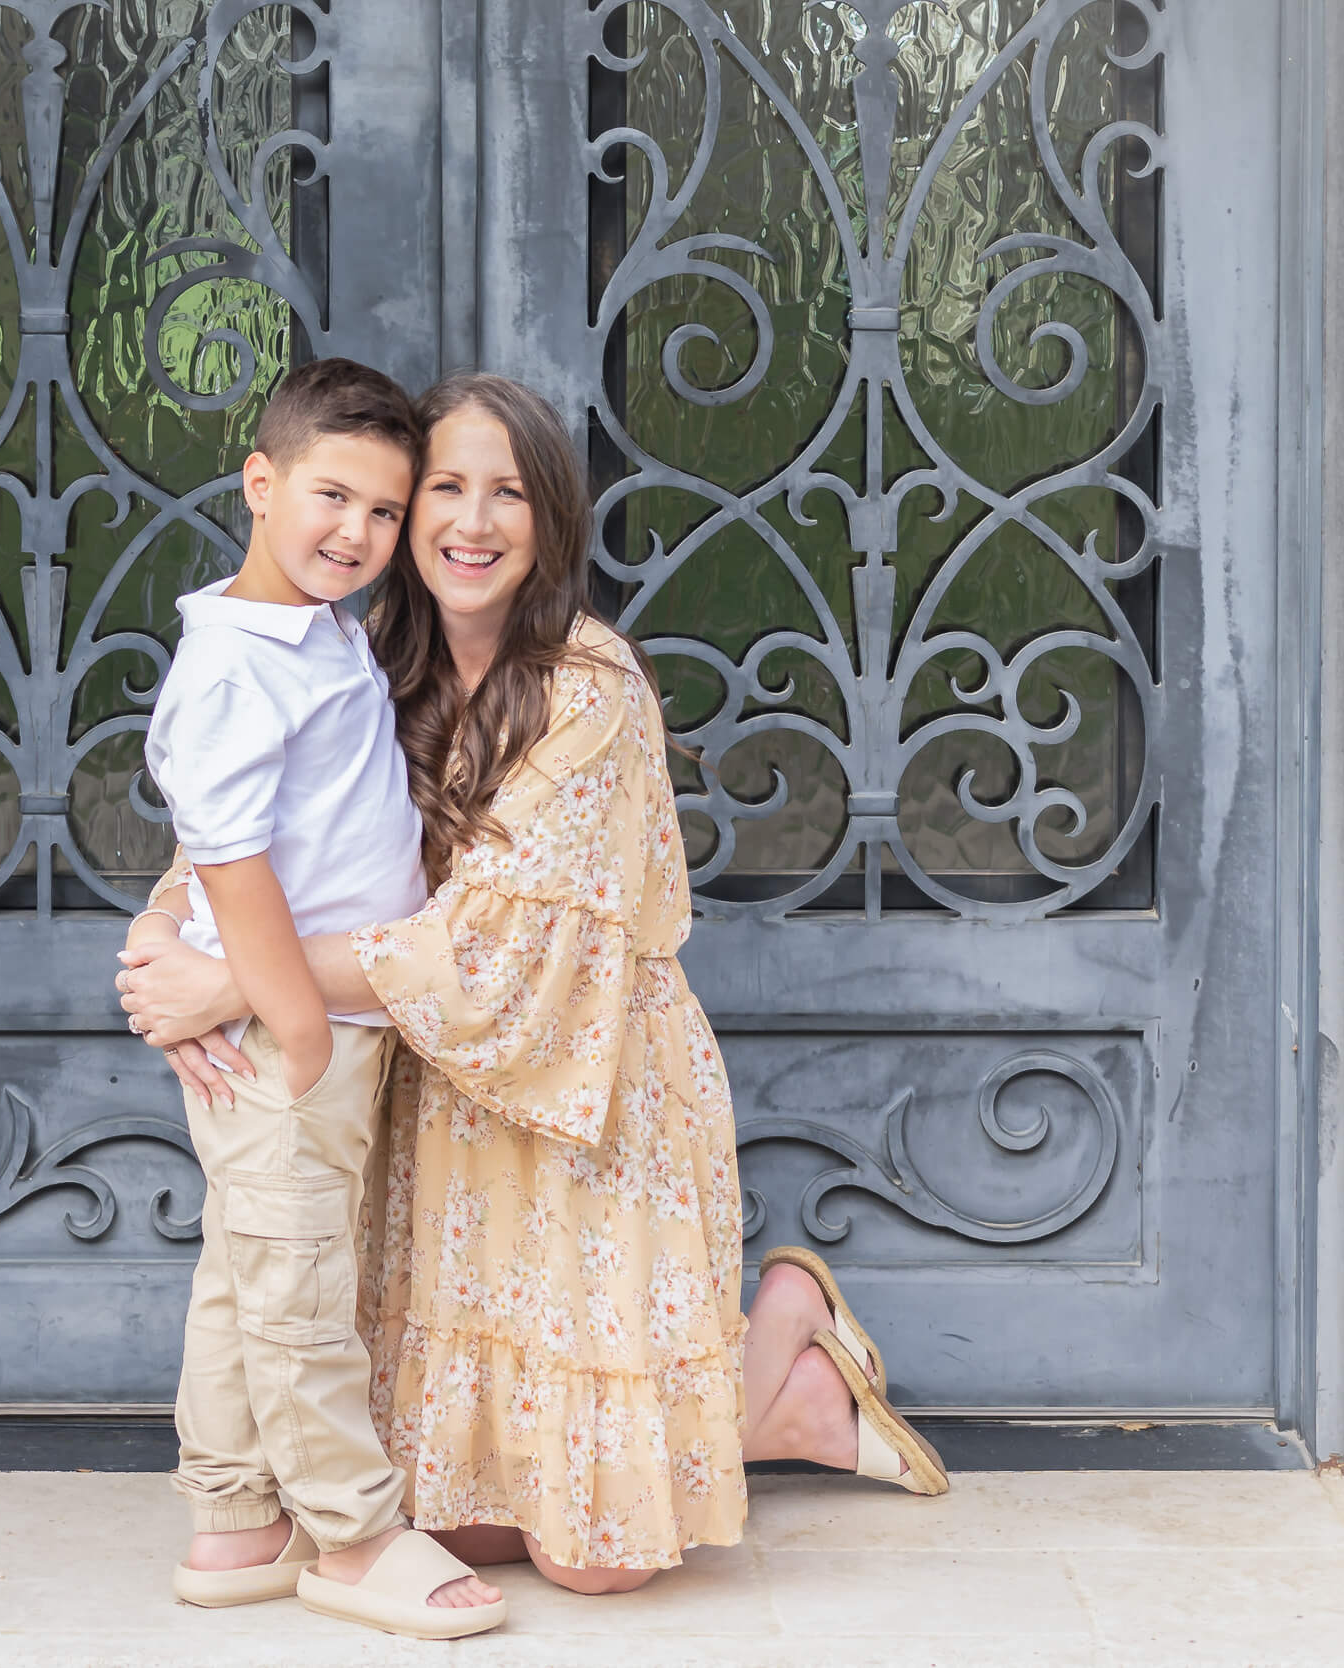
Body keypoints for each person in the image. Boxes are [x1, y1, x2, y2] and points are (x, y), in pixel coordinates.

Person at [124, 372, 948, 1599]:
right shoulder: (359, 653)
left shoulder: (589, 687)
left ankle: (780, 1351)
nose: (471, 521)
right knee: (465, 1528)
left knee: (597, 1567)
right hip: (430, 1093)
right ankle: (764, 1397)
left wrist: (235, 983)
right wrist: (159, 949)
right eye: (441, 491)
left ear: (550, 521)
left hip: (579, 1089)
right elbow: (231, 826)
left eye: (507, 493)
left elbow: (490, 955)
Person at [138, 357, 508, 1640]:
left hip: (325, 1023)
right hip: (290, 1031)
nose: (357, 533)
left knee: (252, 1270)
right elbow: (229, 857)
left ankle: (235, 1518)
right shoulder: (241, 665)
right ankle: (351, 1536)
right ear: (259, 483)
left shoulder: (318, 633)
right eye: (331, 498)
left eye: (384, 513)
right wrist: (293, 1020)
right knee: (298, 1286)